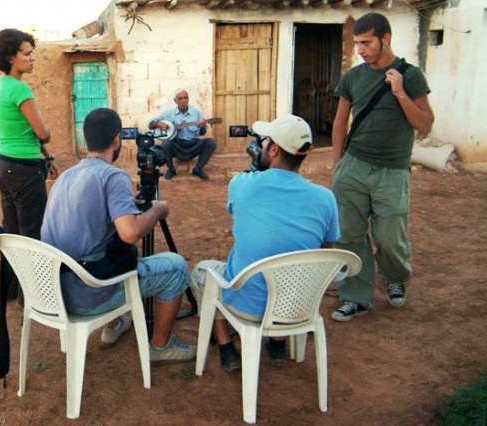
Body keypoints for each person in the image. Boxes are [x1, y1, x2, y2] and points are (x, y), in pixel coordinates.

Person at [41, 107, 196, 364]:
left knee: (102, 248)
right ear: (117, 140)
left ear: (86, 138)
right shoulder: (113, 176)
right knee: (177, 267)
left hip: (56, 293)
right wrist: (156, 209)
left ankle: (113, 326)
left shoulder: (66, 177)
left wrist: (123, 204)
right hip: (89, 295)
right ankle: (160, 346)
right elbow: (130, 233)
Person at [191, 114, 341, 372]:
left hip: (248, 307)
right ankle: (278, 342)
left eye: (265, 141)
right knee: (289, 264)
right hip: (298, 306)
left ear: (273, 149)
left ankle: (227, 347)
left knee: (202, 272)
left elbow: (240, 216)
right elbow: (326, 252)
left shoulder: (242, 184)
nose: (260, 145)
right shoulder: (325, 198)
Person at [330, 13, 434, 322]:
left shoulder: (411, 75)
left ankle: (395, 275)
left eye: (366, 43)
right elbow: (340, 121)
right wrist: (338, 164)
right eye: (357, 43)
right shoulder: (353, 77)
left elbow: (425, 125)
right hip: (354, 166)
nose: (360, 49)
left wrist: (400, 92)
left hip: (392, 169)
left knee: (390, 237)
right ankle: (355, 296)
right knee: (349, 235)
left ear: (385, 39)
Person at [0, 29, 60, 302]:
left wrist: (48, 156)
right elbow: (42, 132)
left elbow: (23, 132)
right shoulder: (20, 88)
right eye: (27, 54)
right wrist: (47, 138)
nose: (33, 59)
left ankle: (10, 290)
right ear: (11, 57)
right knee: (32, 233)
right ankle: (35, 296)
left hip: (5, 166)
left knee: (12, 231)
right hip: (25, 172)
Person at [148, 89, 216, 180]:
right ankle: (171, 169)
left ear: (188, 99)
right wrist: (158, 124)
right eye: (180, 98)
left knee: (211, 142)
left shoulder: (196, 113)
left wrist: (202, 127)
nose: (183, 101)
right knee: (166, 143)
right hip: (177, 145)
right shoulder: (169, 113)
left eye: (185, 98)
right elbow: (150, 123)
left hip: (193, 144)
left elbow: (202, 133)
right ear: (175, 101)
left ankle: (198, 168)